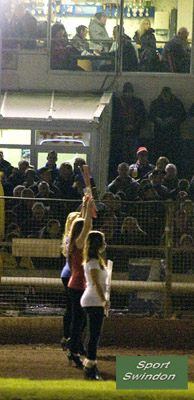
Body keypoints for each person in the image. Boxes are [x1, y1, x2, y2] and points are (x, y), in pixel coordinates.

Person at [66, 196, 93, 368]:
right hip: (78, 285)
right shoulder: (79, 242)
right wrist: (89, 207)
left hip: (76, 284)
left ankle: (73, 346)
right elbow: (87, 226)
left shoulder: (73, 241)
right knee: (79, 320)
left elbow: (83, 224)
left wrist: (84, 206)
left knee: (80, 319)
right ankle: (73, 350)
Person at [81, 230, 109, 380]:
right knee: (94, 334)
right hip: (93, 301)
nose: (105, 243)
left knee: (94, 334)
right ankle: (90, 365)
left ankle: (90, 362)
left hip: (94, 300)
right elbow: (96, 283)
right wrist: (103, 300)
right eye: (103, 240)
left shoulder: (95, 261)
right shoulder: (93, 262)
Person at [149, 87, 186, 166]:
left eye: (167, 96)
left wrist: (174, 119)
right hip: (159, 135)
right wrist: (156, 119)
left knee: (173, 156)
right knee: (159, 155)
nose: (165, 98)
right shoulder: (156, 103)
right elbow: (150, 115)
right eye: (164, 96)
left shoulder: (177, 103)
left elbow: (183, 116)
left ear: (170, 94)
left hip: (173, 135)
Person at [114, 82, 147, 164]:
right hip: (123, 133)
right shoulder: (119, 103)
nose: (128, 94)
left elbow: (142, 117)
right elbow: (116, 118)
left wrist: (134, 126)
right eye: (127, 92)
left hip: (133, 132)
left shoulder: (137, 103)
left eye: (129, 92)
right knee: (123, 154)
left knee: (133, 154)